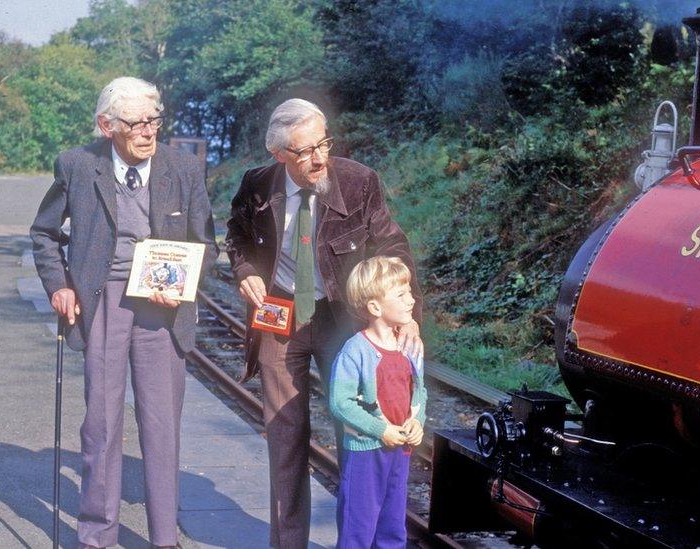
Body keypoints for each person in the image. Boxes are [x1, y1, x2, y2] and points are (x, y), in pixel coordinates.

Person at [225, 98, 423, 547]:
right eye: (304, 151)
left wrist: (406, 315)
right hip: (280, 315)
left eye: (324, 144)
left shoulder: (359, 182)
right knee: (285, 434)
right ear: (279, 155)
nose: (319, 158)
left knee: (357, 433)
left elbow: (393, 247)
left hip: (343, 320)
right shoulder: (257, 184)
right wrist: (245, 271)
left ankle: (357, 540)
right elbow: (235, 233)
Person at [30, 76, 218, 548]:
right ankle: (97, 537)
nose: (147, 132)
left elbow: (206, 243)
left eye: (153, 120)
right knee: (101, 422)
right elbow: (44, 234)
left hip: (163, 308)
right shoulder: (77, 165)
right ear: (106, 125)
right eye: (135, 123)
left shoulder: (183, 169)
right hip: (103, 301)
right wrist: (60, 287)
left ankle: (163, 538)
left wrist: (182, 284)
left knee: (160, 425)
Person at [329, 256, 427, 548]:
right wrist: (379, 430)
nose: (411, 300)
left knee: (393, 523)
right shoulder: (355, 351)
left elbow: (420, 393)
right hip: (366, 451)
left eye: (409, 291)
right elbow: (341, 402)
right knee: (357, 525)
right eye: (401, 295)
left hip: (401, 449)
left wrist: (417, 423)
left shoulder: (409, 346)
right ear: (374, 307)